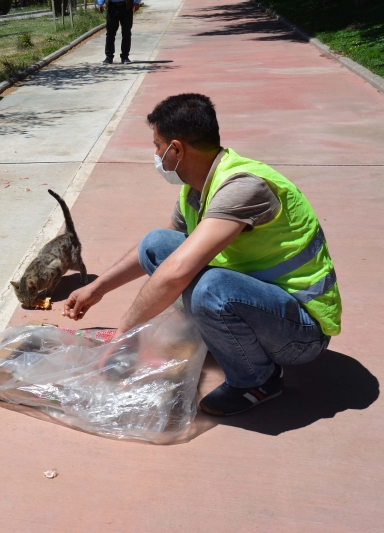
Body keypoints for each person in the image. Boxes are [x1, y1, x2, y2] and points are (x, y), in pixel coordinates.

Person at [63, 93, 342, 416]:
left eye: (158, 145)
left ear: (176, 149)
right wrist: (97, 288)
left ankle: (258, 380)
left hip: (302, 332)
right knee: (159, 242)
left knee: (212, 289)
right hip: (264, 304)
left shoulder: (243, 187)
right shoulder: (197, 187)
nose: (156, 154)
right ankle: (217, 335)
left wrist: (123, 333)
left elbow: (177, 272)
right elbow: (157, 250)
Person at [97, 0, 140, 64]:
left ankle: (125, 57)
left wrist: (136, 2)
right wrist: (100, 3)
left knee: (126, 33)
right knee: (110, 33)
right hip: (112, 7)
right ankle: (109, 57)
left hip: (126, 6)